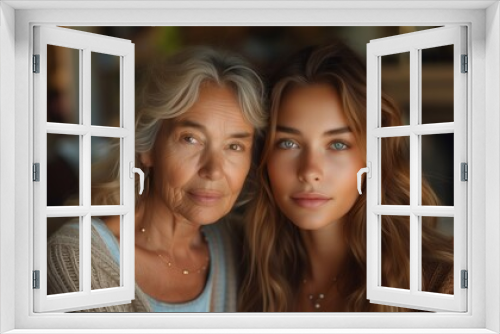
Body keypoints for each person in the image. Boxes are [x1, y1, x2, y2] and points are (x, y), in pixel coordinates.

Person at [47, 47, 267, 312]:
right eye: (191, 139)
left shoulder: (243, 244)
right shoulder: (80, 257)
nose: (214, 170)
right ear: (147, 148)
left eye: (234, 146)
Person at [238, 42, 454, 312]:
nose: (310, 172)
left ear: (372, 156)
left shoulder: (441, 284)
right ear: (263, 155)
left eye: (338, 144)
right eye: (288, 143)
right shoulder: (245, 279)